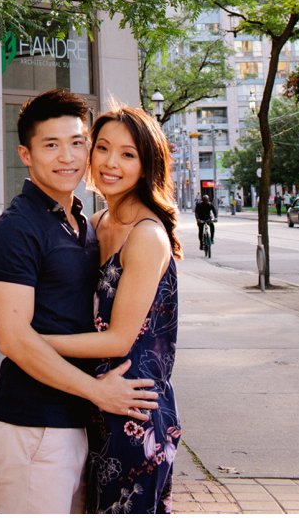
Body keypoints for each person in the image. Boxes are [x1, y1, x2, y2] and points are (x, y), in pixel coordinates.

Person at [0, 90, 160, 515]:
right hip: (34, 423)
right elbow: (12, 339)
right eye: (51, 145)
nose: (68, 157)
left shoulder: (84, 221)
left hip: (81, 423)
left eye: (78, 142)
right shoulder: (18, 227)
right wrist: (99, 393)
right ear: (25, 154)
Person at [42, 106, 182, 514]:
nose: (110, 163)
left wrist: (31, 344)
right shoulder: (96, 223)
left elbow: (119, 338)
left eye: (127, 154)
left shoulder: (146, 235)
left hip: (132, 411)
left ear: (146, 164)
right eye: (102, 148)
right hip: (90, 402)